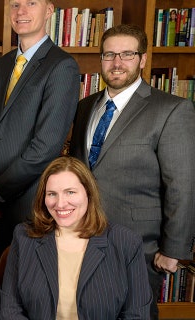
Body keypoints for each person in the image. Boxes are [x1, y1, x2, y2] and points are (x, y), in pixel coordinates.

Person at [69, 24, 195, 319]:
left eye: (127, 54)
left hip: (139, 247)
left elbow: (183, 184)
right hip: (83, 239)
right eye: (109, 54)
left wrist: (173, 249)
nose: (117, 63)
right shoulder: (85, 106)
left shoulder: (172, 110)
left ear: (143, 59)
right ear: (100, 59)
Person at [0, 0, 79, 262]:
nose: (21, 11)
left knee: (26, 291)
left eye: (31, 3)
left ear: (49, 10)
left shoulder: (62, 66)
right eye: (15, 4)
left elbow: (46, 147)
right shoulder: (4, 64)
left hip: (29, 205)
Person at [0, 156, 152, 319]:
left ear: (88, 193)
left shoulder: (126, 242)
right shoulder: (24, 237)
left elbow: (137, 314)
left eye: (70, 192)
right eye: (52, 194)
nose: (60, 204)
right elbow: (10, 309)